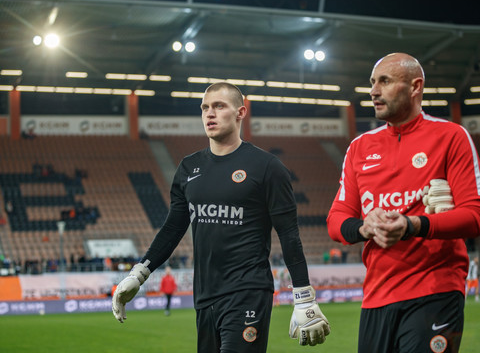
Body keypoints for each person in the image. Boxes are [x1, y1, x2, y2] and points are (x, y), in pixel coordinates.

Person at [112, 82, 330, 352]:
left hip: (248, 292)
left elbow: (288, 234)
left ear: (240, 113)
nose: (209, 114)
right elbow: (173, 228)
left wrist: (304, 296)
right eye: (204, 108)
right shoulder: (188, 167)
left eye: (219, 106)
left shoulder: (267, 167)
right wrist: (139, 273)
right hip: (204, 296)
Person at [327, 53, 480, 353]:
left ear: (415, 87)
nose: (373, 91)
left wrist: (413, 225)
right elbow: (336, 220)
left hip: (435, 288)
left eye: (384, 81)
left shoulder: (451, 137)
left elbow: (474, 216)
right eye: (372, 83)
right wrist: (364, 227)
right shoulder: (359, 147)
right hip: (376, 295)